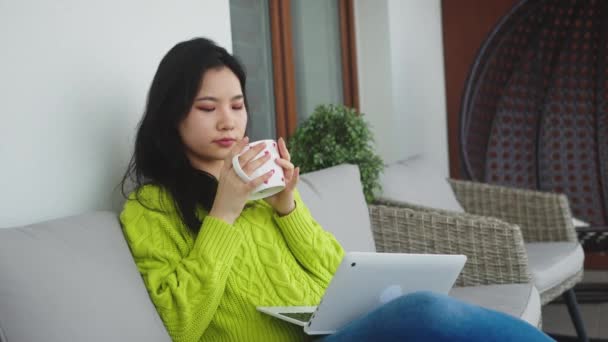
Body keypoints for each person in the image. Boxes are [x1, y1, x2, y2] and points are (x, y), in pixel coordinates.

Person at [119, 37, 554, 342]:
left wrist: (288, 209)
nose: (228, 121)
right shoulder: (150, 209)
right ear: (172, 115)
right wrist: (223, 215)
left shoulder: (263, 193)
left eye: (237, 105)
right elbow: (180, 325)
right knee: (424, 310)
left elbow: (336, 277)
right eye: (207, 108)